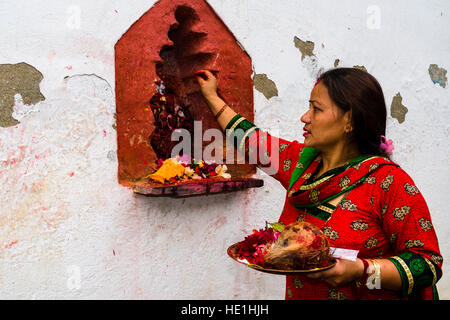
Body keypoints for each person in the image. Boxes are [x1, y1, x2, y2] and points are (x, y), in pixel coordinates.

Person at [195, 67, 443, 300]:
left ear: (350, 120)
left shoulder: (388, 183)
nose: (305, 117)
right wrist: (211, 96)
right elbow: (251, 139)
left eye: (316, 109)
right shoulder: (300, 164)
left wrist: (361, 270)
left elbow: (428, 265)